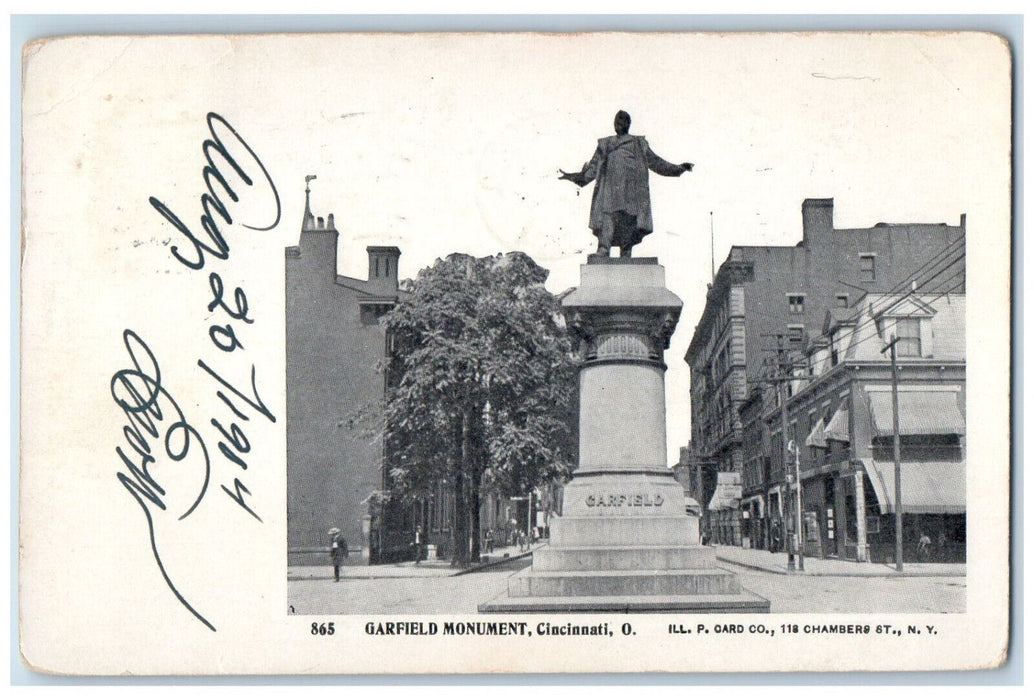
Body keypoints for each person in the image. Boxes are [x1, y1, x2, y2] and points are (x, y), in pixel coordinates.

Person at [559, 110, 693, 257]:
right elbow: (591, 171)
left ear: (628, 124)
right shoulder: (605, 144)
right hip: (609, 191)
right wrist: (572, 177)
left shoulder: (638, 143)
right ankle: (603, 249)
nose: (618, 124)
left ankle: (626, 251)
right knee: (607, 218)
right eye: (616, 121)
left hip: (631, 191)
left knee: (628, 220)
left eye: (622, 121)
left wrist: (679, 168)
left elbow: (656, 162)